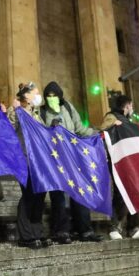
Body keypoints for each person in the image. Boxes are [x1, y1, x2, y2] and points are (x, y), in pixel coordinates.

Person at [40, 81, 102, 244]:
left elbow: (80, 129)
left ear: (60, 96)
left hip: (73, 158)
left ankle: (85, 230)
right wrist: (49, 129)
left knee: (80, 193)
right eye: (48, 96)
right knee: (59, 196)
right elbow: (38, 134)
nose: (51, 98)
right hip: (54, 160)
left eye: (54, 95)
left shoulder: (68, 107)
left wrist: (98, 133)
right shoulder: (42, 111)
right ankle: (61, 231)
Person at [100, 95, 139, 240]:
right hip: (118, 161)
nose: (132, 108)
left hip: (130, 163)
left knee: (136, 192)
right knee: (120, 193)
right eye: (131, 105)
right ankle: (115, 227)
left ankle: (135, 227)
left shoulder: (127, 121)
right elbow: (102, 132)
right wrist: (111, 126)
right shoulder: (111, 117)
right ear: (127, 106)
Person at [7, 82, 52, 249]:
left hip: (38, 160)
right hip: (23, 159)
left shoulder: (35, 113)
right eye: (36, 93)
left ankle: (37, 232)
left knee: (39, 194)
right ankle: (25, 235)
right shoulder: (17, 111)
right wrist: (13, 111)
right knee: (29, 194)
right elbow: (8, 130)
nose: (38, 96)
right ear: (26, 95)